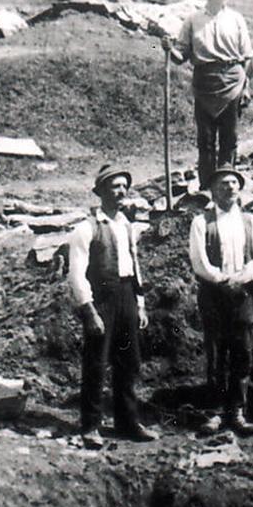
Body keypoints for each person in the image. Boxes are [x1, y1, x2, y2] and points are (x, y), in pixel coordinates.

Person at [67, 164, 155, 448]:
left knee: (128, 362)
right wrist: (88, 310)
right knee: (96, 362)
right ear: (101, 191)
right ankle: (90, 425)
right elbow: (76, 274)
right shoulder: (86, 228)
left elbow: (135, 265)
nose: (121, 192)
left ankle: (127, 422)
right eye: (114, 186)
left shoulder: (126, 225)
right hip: (101, 299)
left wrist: (139, 303)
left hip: (127, 295)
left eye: (123, 186)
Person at [188, 167, 253, 435]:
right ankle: (215, 411)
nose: (230, 188)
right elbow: (200, 263)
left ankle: (237, 410)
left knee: (242, 351)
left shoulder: (251, 222)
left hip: (243, 294)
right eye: (223, 184)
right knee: (216, 351)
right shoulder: (201, 222)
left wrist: (243, 279)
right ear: (213, 190)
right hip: (214, 294)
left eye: (234, 183)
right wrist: (224, 280)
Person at [164, 0, 253, 187]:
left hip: (232, 81)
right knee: (205, 140)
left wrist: (245, 86)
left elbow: (247, 56)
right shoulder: (193, 20)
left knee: (229, 139)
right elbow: (181, 55)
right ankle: (206, 188)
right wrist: (169, 49)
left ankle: (227, 186)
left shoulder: (236, 19)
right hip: (204, 83)